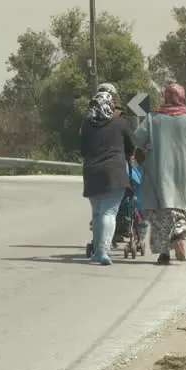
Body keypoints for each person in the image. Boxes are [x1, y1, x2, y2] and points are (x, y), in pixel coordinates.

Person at [134, 82, 186, 265]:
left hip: (157, 173)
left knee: (160, 216)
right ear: (181, 97)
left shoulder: (153, 118)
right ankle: (178, 234)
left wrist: (148, 147)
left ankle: (164, 254)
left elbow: (137, 137)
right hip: (183, 173)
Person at [80, 89, 135, 266]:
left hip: (91, 173)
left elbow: (82, 150)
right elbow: (131, 146)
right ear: (110, 106)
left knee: (97, 213)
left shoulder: (86, 125)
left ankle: (97, 250)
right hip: (114, 173)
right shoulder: (120, 124)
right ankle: (103, 251)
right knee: (109, 212)